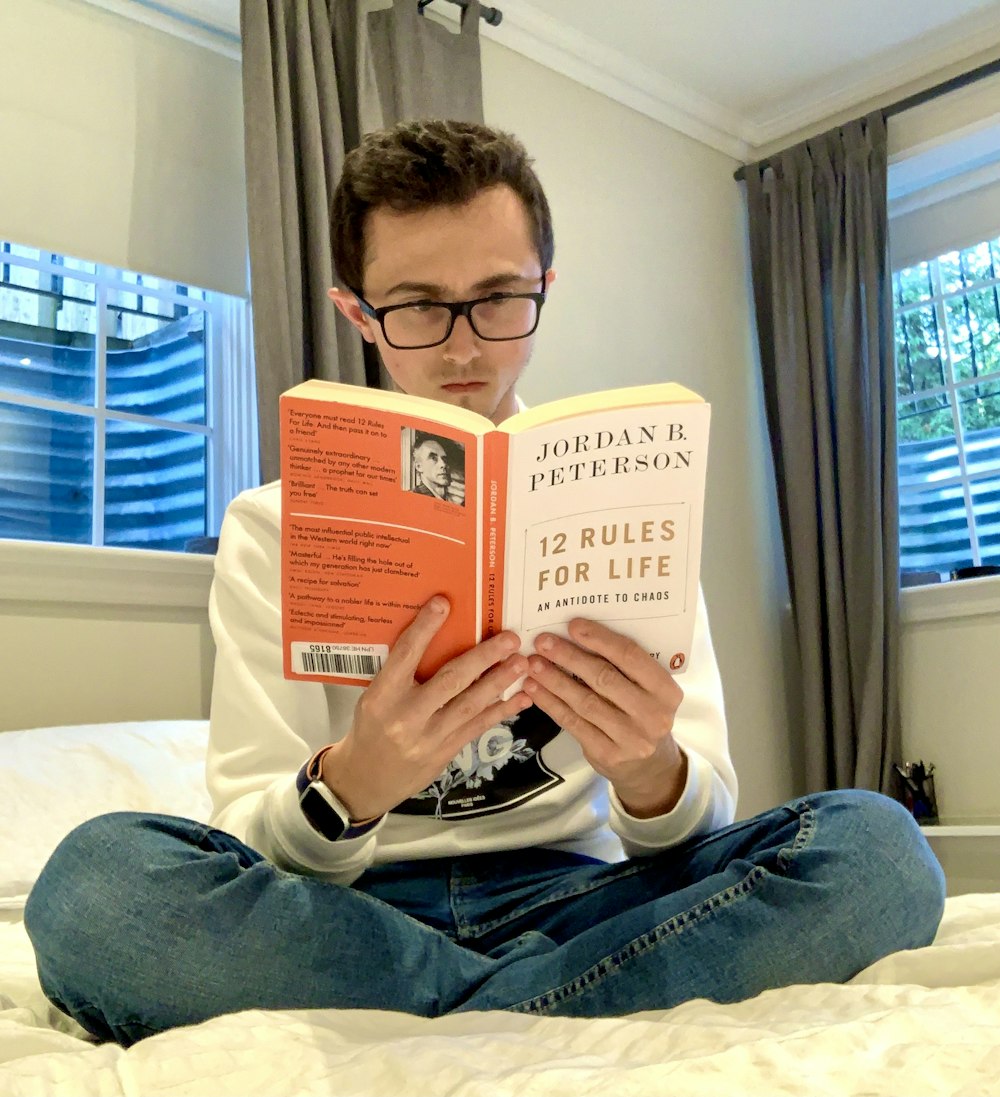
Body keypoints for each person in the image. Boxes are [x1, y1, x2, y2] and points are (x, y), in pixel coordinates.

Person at [25, 119, 945, 1048]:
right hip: (348, 918)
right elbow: (251, 835)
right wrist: (355, 783)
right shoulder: (271, 524)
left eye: (500, 297)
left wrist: (648, 770)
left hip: (583, 896)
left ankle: (460, 1014)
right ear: (356, 313)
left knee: (876, 850)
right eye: (418, 305)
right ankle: (554, 1006)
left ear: (546, 286)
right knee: (93, 886)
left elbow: (694, 824)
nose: (465, 347)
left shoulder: (630, 498)